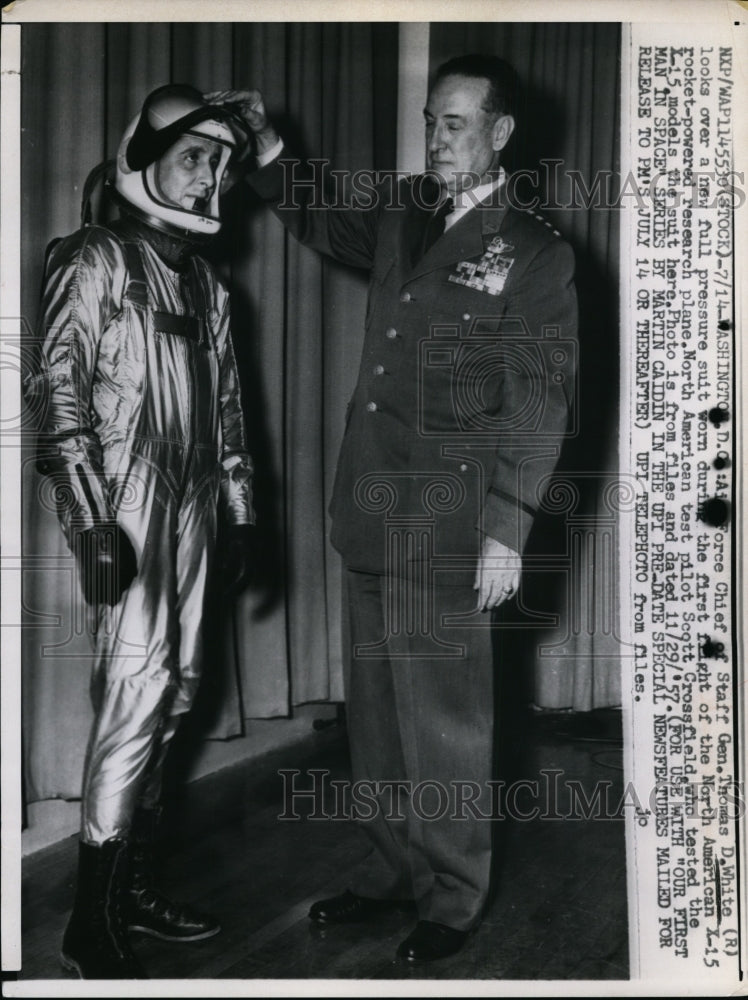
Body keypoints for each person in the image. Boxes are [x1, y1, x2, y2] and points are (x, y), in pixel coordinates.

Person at [216, 53, 577, 962]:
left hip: (455, 523)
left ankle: (453, 897)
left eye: (455, 123)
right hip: (372, 506)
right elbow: (316, 214)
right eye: (430, 120)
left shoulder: (534, 251)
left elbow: (540, 397)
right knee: (376, 717)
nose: (437, 137)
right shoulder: (403, 215)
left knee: (447, 724)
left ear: (500, 135)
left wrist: (507, 526)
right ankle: (391, 873)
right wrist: (264, 147)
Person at [27, 85, 256, 979]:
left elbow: (231, 407)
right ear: (145, 157)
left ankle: (131, 891)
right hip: (129, 502)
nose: (210, 179)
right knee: (133, 698)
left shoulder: (206, 281)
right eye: (194, 157)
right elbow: (57, 391)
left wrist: (238, 513)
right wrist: (89, 520)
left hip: (196, 505)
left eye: (220, 163)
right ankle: (90, 922)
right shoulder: (94, 259)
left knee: (181, 694)